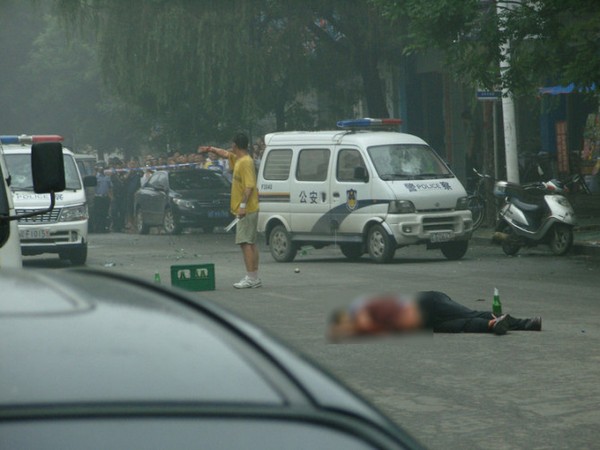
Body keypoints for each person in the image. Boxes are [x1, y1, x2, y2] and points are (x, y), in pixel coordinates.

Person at [328, 291, 542, 340]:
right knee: (464, 325)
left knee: (468, 314)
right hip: (429, 323)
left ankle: (525, 323)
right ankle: (494, 324)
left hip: (432, 303)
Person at [199, 133, 261, 289]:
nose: (229, 148)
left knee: (245, 243)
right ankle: (254, 276)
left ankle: (251, 277)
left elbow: (249, 186)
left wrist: (242, 206)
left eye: (231, 145)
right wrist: (210, 148)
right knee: (250, 242)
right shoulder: (239, 159)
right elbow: (225, 154)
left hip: (247, 209)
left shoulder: (246, 162)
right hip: (249, 208)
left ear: (235, 145)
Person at [92, 162, 112, 233]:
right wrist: (95, 171)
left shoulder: (107, 177)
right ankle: (97, 228)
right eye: (101, 168)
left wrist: (111, 196)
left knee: (105, 213)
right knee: (98, 213)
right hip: (98, 197)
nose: (102, 169)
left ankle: (104, 227)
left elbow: (110, 187)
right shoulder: (96, 176)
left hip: (105, 197)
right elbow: (92, 180)